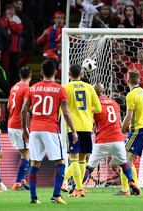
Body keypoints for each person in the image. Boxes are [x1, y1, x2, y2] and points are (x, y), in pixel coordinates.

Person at [21, 60, 78, 204]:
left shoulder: (32, 88)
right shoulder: (60, 89)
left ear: (41, 72)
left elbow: (23, 110)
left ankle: (34, 197)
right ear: (55, 72)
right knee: (61, 161)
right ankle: (56, 195)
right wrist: (73, 130)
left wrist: (24, 129)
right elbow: (66, 113)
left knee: (34, 163)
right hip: (51, 129)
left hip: (34, 129)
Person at [81, 83, 141, 195]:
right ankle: (131, 182)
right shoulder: (115, 103)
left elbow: (92, 122)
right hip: (118, 139)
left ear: (94, 93)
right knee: (124, 163)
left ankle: (77, 187)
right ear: (104, 92)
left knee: (90, 166)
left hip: (103, 140)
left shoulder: (95, 104)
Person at [62, 64, 102, 197]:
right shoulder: (89, 87)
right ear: (80, 73)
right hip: (86, 126)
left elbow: (61, 108)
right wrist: (86, 110)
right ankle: (80, 188)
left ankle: (78, 188)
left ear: (69, 74)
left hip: (73, 127)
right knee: (83, 159)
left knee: (73, 159)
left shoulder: (66, 87)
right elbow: (98, 109)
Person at [119, 70, 143, 195]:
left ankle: (126, 190)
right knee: (129, 160)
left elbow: (129, 114)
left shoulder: (131, 95)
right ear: (139, 79)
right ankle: (135, 189)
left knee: (124, 160)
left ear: (127, 80)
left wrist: (122, 127)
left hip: (138, 130)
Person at [8, 66, 31, 191]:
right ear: (31, 76)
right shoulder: (27, 88)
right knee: (26, 154)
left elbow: (8, 105)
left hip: (11, 123)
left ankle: (22, 180)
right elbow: (26, 108)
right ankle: (17, 183)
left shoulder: (14, 87)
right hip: (18, 125)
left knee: (25, 153)